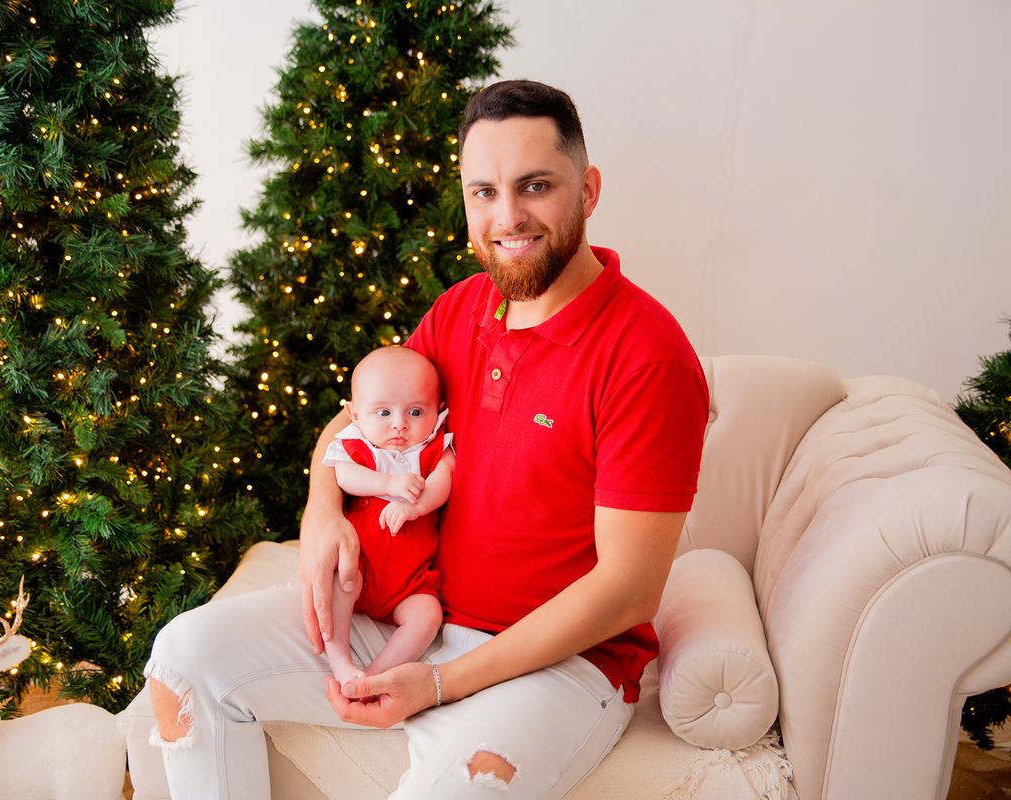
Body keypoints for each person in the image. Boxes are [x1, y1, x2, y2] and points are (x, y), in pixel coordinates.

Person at [145, 79, 709, 799]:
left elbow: (628, 590)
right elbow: (360, 419)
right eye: (484, 192)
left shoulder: (648, 358)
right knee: (182, 661)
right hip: (413, 609)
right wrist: (320, 513)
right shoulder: (463, 308)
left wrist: (439, 683)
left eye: (535, 186)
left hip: (560, 664)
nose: (507, 216)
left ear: (589, 189)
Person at [322, 346, 454, 685]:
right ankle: (340, 660)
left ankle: (375, 675)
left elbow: (442, 482)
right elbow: (344, 476)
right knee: (336, 586)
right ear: (354, 414)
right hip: (359, 565)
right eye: (383, 413)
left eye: (414, 411)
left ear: (438, 411)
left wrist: (415, 507)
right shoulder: (355, 444)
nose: (399, 425)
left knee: (428, 616)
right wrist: (389, 483)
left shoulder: (435, 447)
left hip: (409, 582)